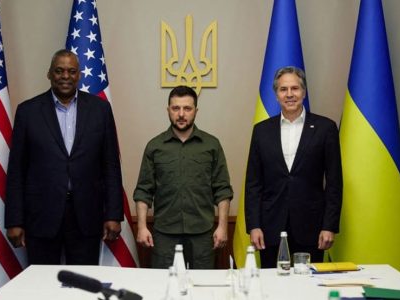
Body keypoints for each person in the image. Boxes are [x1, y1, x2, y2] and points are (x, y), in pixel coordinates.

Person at [5, 49, 123, 265]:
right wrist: (14, 220)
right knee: (42, 287)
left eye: (71, 71)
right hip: (41, 216)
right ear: (49, 74)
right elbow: (16, 172)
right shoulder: (28, 112)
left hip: (86, 216)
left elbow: (111, 166)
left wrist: (114, 215)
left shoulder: (100, 110)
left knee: (83, 285)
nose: (65, 76)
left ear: (79, 75)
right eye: (59, 71)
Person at [244, 66, 342, 268]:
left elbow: (334, 183)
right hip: (270, 228)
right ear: (276, 94)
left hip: (312, 228)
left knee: (309, 289)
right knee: (272, 289)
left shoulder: (325, 128)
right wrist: (254, 225)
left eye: (295, 89)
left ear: (304, 92)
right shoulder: (261, 131)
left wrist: (329, 226)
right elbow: (253, 183)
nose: (289, 94)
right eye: (283, 89)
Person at [133, 85, 233, 269]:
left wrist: (223, 226)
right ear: (168, 110)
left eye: (187, 108)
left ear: (196, 111)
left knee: (204, 290)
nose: (181, 114)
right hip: (164, 235)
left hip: (202, 233)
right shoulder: (155, 147)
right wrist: (141, 226)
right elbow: (143, 191)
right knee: (164, 289)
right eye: (175, 108)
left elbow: (222, 189)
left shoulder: (211, 145)